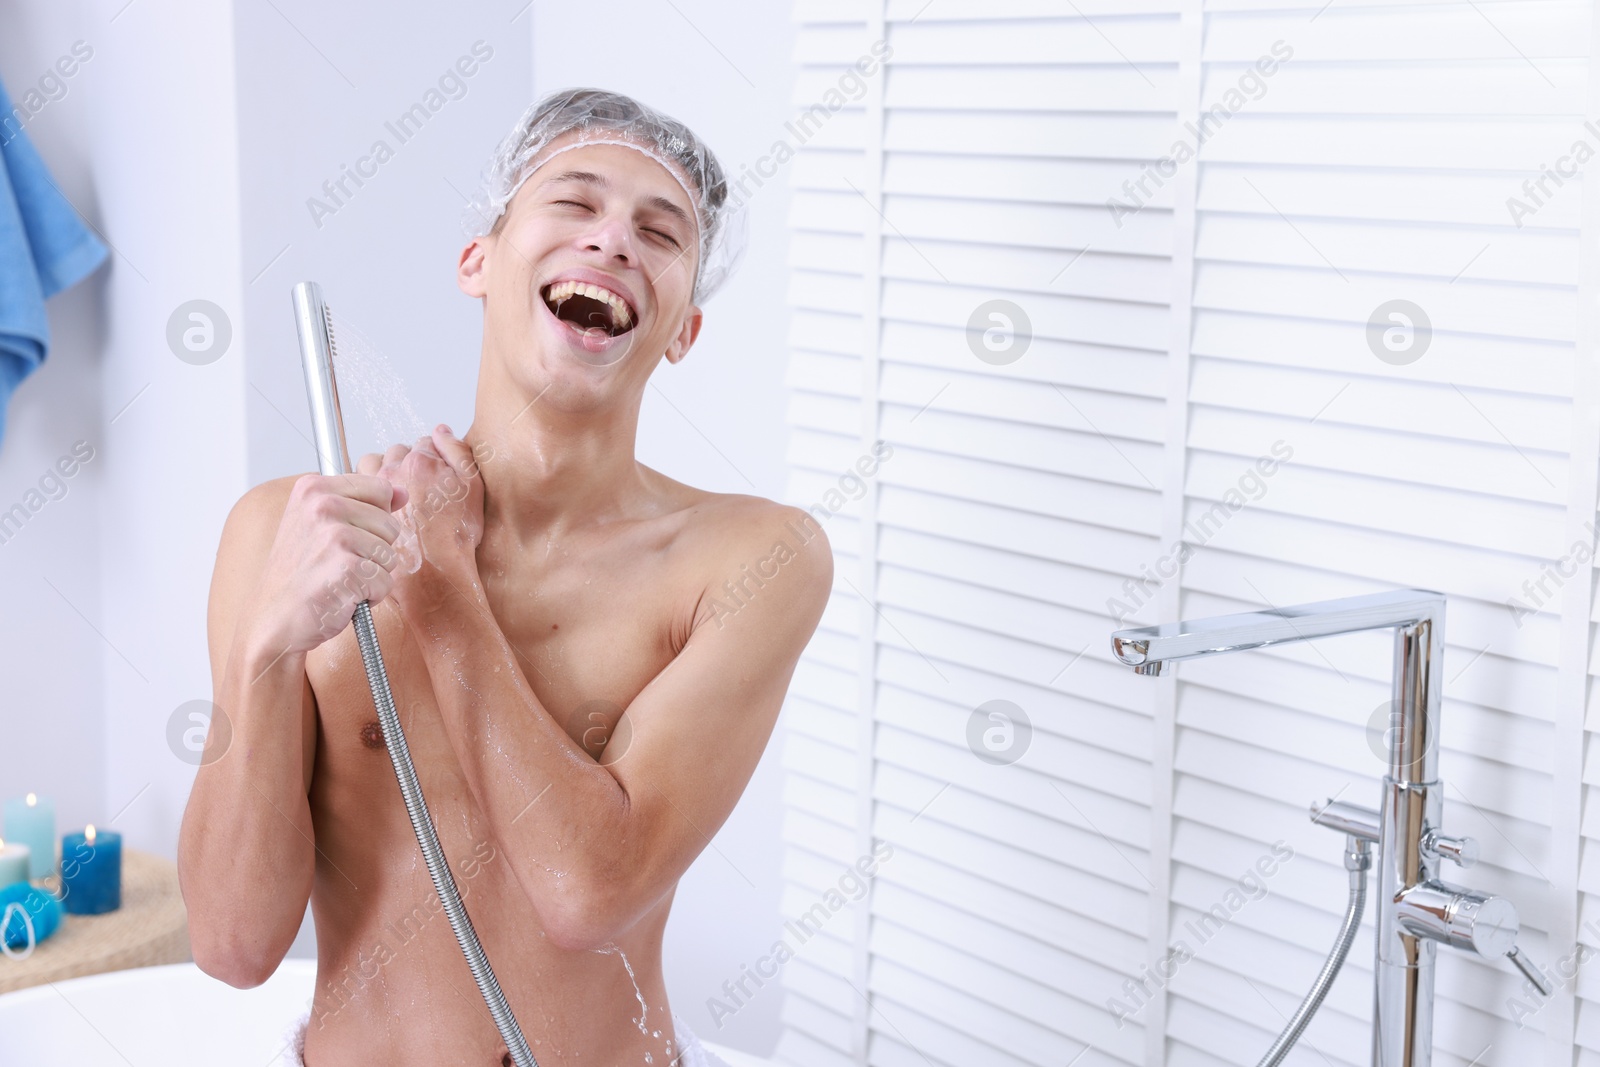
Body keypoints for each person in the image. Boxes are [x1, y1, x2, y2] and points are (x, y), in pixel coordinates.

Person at [177, 88, 831, 1067]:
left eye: (660, 231)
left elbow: (585, 890)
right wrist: (268, 645)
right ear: (478, 262)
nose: (613, 241)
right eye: (573, 204)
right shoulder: (289, 530)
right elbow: (232, 942)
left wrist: (440, 588)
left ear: (682, 330)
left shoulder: (752, 558)